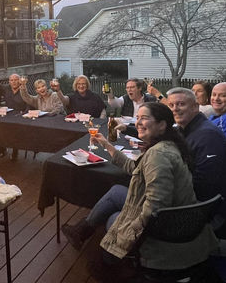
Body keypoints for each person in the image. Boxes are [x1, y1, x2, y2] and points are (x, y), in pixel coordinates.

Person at [61, 103, 217, 278]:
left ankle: (110, 267)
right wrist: (105, 144)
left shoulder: (158, 155)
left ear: (162, 125)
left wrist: (129, 229)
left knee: (114, 219)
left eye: (144, 118)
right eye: (138, 118)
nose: (138, 123)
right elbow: (132, 166)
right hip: (178, 211)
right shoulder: (168, 144)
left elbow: (156, 206)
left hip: (167, 225)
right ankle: (82, 230)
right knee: (117, 191)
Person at [166, 87, 226, 232]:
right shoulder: (186, 129)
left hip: (214, 211)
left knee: (124, 197)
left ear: (195, 107)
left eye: (181, 104)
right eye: (171, 105)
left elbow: (204, 184)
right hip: (203, 203)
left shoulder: (207, 136)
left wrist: (168, 188)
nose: (175, 109)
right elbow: (164, 135)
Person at [0, 70, 29, 158]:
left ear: (19, 81)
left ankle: (15, 150)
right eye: (11, 80)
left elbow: (29, 102)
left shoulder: (23, 90)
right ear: (9, 82)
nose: (14, 82)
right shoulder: (6, 89)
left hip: (19, 117)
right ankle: (1, 149)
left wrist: (24, 113)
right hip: (8, 115)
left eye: (16, 80)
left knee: (13, 129)